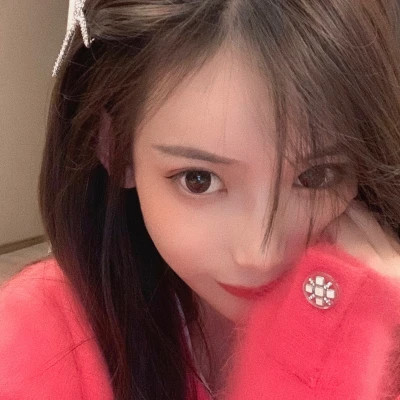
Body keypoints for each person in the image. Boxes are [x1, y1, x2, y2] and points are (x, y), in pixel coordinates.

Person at [1, 0, 400, 398]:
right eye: (198, 180)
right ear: (114, 145)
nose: (260, 255)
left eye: (315, 177)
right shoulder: (36, 341)